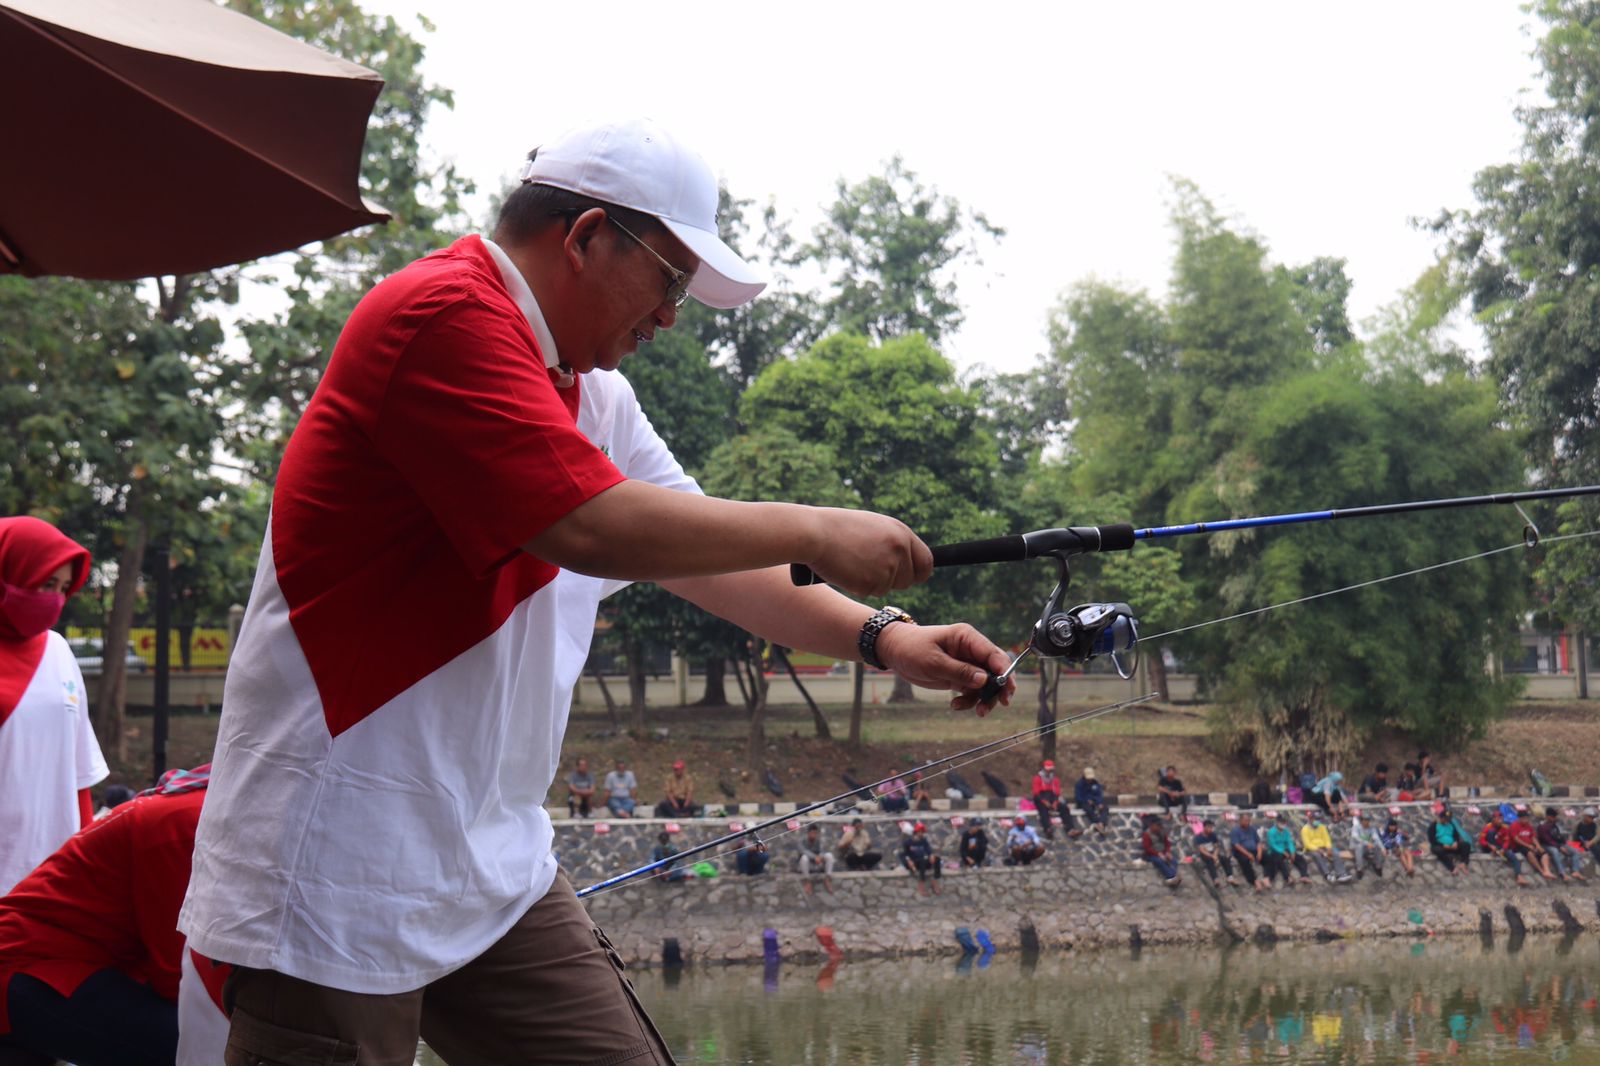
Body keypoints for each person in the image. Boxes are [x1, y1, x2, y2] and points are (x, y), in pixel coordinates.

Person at [178, 118, 1016, 1064]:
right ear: (582, 238)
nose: (670, 316)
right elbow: (586, 527)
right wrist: (817, 526)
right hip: (339, 857)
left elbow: (704, 555)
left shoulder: (593, 393)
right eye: (669, 279)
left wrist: (886, 638)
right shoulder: (441, 315)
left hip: (489, 863)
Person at [0, 767, 225, 1066]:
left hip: (69, 963)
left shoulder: (198, 812)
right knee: (198, 1047)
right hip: (32, 967)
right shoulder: (185, 823)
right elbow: (176, 973)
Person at [0, 518, 108, 895]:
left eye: (64, 588)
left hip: (51, 884)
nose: (55, 599)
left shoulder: (59, 651)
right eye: (47, 584)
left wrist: (83, 867)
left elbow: (78, 778)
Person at [1478, 809, 1528, 886]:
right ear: (1493, 820)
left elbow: (1507, 841)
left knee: (1513, 857)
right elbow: (1481, 841)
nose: (1500, 821)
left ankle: (1519, 876)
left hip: (1500, 847)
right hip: (1488, 846)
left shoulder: (1505, 827)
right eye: (1498, 819)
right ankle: (1493, 851)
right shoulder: (1487, 827)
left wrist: (1503, 849)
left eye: (1501, 819)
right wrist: (1490, 846)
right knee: (1491, 833)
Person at [1299, 808, 1351, 883]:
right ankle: (1327, 874)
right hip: (1311, 849)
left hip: (1324, 847)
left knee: (1335, 853)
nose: (1317, 821)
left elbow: (1327, 839)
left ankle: (1341, 874)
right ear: (1311, 819)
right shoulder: (1305, 829)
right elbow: (1307, 844)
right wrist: (1318, 849)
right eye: (1316, 819)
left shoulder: (1322, 827)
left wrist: (1329, 847)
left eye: (1319, 819)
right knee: (1317, 855)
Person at [1030, 759, 1078, 839]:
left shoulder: (1055, 779)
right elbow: (1036, 793)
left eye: (1050, 770)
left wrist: (1055, 802)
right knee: (1043, 810)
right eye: (1047, 769)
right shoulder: (1037, 778)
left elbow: (1057, 792)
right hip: (1041, 798)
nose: (1049, 771)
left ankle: (1070, 829)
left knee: (1064, 808)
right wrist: (1045, 802)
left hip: (1052, 797)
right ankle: (1047, 829)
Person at [1536, 807, 1586, 882]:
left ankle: (1576, 871)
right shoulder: (1542, 826)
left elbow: (1558, 836)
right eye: (1553, 817)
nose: (1554, 818)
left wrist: (1564, 844)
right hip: (1546, 845)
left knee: (1575, 851)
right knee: (1555, 851)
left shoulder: (1554, 825)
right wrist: (1559, 847)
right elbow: (1547, 840)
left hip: (1558, 843)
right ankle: (1562, 873)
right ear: (1548, 817)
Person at [1507, 808, 1558, 882]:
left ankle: (1547, 870)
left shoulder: (1528, 826)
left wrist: (1538, 846)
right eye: (1524, 818)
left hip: (1530, 844)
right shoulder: (1514, 826)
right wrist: (1528, 846)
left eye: (1527, 818)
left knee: (1544, 854)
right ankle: (1541, 871)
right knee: (1530, 853)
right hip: (1519, 846)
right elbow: (1516, 839)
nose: (1526, 820)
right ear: (1520, 818)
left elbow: (1533, 837)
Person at [1264, 816, 1311, 887]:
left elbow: (1289, 842)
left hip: (1285, 849)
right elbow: (1272, 845)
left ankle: (1304, 875)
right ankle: (1287, 877)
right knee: (1279, 859)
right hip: (1274, 851)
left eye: (1284, 823)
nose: (1283, 824)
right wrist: (1282, 851)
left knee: (1300, 858)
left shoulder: (1286, 831)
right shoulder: (1271, 832)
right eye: (1281, 822)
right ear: (1277, 823)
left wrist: (1292, 851)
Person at [1229, 812, 1270, 891]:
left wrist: (1259, 852)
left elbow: (1258, 842)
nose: (1247, 822)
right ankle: (1254, 881)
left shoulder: (1252, 829)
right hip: (1241, 851)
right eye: (1245, 820)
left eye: (1248, 820)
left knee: (1268, 857)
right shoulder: (1235, 831)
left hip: (1254, 849)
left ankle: (1266, 877)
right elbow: (1237, 846)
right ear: (1240, 821)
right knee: (1244, 861)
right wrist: (1248, 854)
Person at [1192, 818, 1237, 886]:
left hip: (1214, 853)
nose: (1211, 829)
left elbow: (1216, 846)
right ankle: (1215, 879)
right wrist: (1212, 856)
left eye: (1211, 827)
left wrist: (1215, 855)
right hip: (1205, 855)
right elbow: (1202, 850)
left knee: (1225, 859)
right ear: (1204, 827)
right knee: (1209, 862)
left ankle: (1230, 877)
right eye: (1209, 827)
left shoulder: (1213, 835)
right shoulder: (1198, 837)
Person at [1427, 806, 1472, 874]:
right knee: (1437, 850)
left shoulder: (1451, 825)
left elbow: (1456, 836)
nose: (1447, 821)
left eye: (1448, 819)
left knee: (1466, 845)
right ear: (1441, 818)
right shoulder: (1434, 826)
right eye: (1445, 819)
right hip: (1441, 846)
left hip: (1452, 845)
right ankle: (1452, 867)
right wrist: (1443, 845)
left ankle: (1463, 863)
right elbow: (1432, 840)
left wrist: (1455, 842)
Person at [901, 822, 943, 895]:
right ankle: (921, 884)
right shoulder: (908, 842)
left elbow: (928, 850)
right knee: (922, 861)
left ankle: (935, 880)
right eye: (920, 832)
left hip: (922, 861)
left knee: (937, 859)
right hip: (914, 863)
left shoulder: (924, 841)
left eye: (922, 832)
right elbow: (905, 854)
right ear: (916, 832)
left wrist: (931, 856)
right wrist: (909, 861)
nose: (921, 834)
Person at [1140, 813, 1181, 886]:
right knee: (1160, 861)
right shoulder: (1146, 834)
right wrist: (1158, 854)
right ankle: (1171, 876)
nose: (1159, 828)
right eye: (1157, 826)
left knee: (1173, 860)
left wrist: (1167, 852)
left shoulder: (1162, 832)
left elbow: (1167, 843)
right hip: (1151, 855)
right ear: (1152, 825)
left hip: (1163, 852)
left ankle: (1172, 876)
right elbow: (1147, 848)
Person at [796, 826, 835, 894]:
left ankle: (827, 878)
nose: (814, 834)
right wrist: (814, 857)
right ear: (808, 833)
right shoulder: (802, 840)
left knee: (829, 856)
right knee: (804, 858)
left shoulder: (819, 840)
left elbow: (823, 850)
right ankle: (807, 881)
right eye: (812, 833)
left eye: (815, 833)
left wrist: (820, 857)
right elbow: (803, 851)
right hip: (807, 865)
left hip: (817, 864)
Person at [1348, 810, 1385, 879]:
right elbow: (1355, 838)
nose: (1367, 822)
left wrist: (1383, 848)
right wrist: (1367, 843)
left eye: (1368, 820)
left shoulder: (1372, 828)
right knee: (1359, 847)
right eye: (1365, 820)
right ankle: (1359, 869)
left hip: (1366, 847)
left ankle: (1378, 866)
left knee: (1377, 846)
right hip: (1355, 847)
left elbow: (1376, 838)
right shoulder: (1356, 827)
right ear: (1361, 820)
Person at [1075, 767, 1109, 835]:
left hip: (1094, 801)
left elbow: (1098, 794)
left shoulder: (1095, 784)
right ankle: (1097, 822)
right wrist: (1087, 800)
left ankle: (1101, 823)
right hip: (1084, 803)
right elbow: (1078, 797)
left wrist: (1099, 803)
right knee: (1088, 809)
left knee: (1105, 808)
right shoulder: (1079, 784)